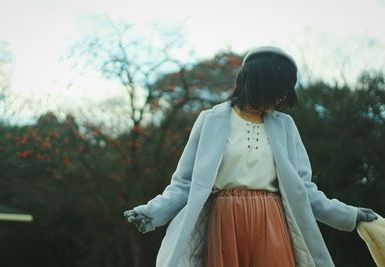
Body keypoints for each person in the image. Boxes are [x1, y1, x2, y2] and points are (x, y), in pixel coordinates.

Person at [124, 45, 378, 267]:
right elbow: (185, 184)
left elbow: (304, 190)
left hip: (272, 221)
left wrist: (349, 215)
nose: (281, 97)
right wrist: (152, 212)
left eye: (286, 90)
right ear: (257, 82)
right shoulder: (210, 121)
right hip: (224, 223)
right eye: (277, 88)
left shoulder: (286, 126)